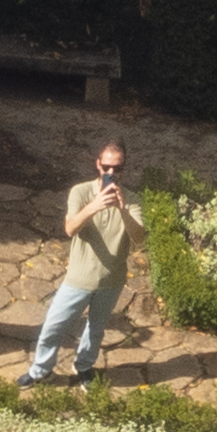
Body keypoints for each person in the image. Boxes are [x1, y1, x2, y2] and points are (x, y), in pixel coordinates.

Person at [22, 141, 134, 392]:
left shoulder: (133, 199)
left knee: (96, 330)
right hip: (79, 278)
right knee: (53, 326)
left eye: (117, 168)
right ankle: (40, 371)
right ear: (98, 164)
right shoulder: (80, 192)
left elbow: (139, 237)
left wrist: (123, 209)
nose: (111, 173)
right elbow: (70, 229)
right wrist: (94, 206)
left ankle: (84, 366)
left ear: (124, 168)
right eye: (106, 167)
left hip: (111, 280)